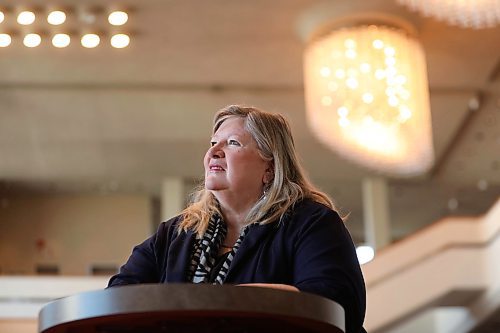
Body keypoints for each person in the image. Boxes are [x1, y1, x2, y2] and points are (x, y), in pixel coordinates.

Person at [108, 105, 367, 333]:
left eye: (232, 143)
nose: (215, 152)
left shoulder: (311, 223)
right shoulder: (176, 232)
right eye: (213, 144)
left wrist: (229, 301)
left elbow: (337, 304)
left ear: (270, 168)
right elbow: (119, 298)